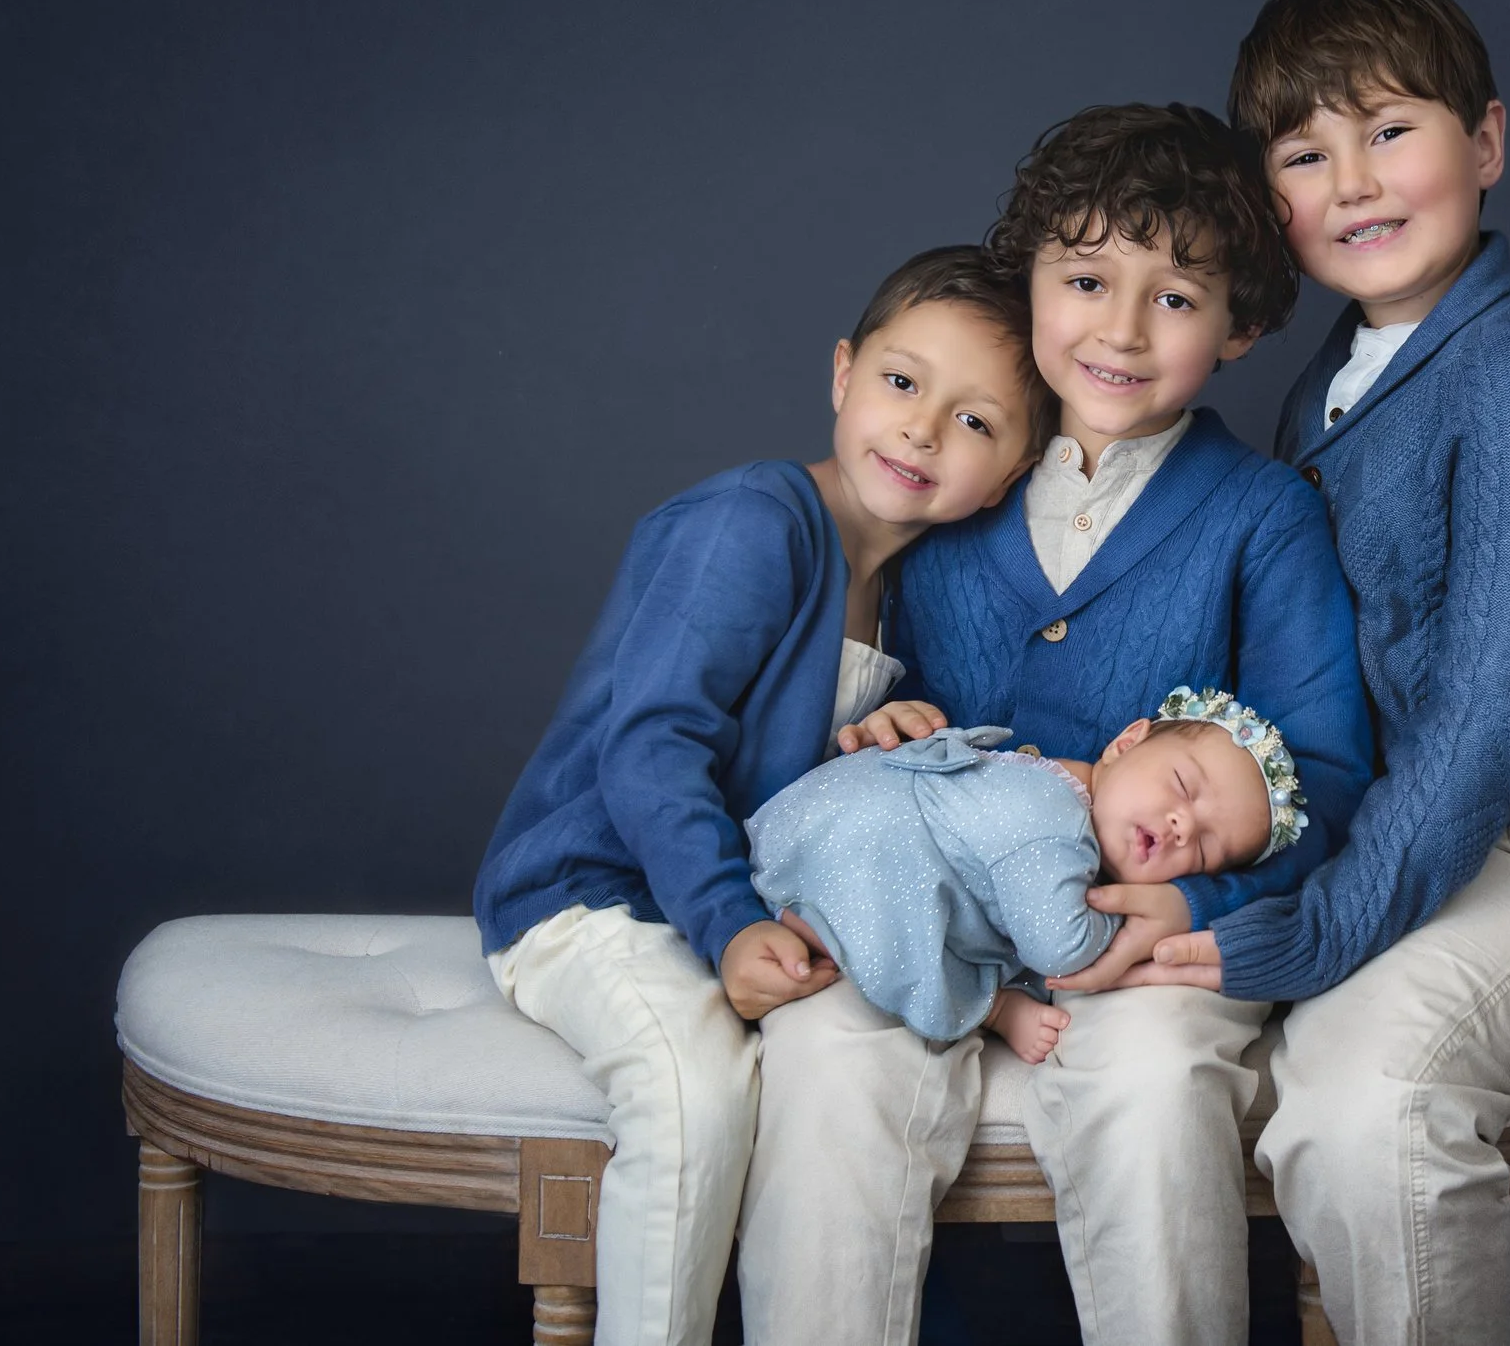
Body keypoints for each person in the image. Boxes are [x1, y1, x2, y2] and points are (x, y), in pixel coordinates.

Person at [1123, 0, 1510, 1346]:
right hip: (1403, 831)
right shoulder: (1329, 381)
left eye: (1392, 130)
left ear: (1485, 145)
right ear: (1272, 202)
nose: (1357, 181)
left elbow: (1498, 714)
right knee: (1183, 1050)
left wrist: (1315, 922)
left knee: (1369, 1093)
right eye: (1307, 152)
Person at [740, 104, 1375, 1346]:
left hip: (1139, 939)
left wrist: (1198, 907)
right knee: (825, 1064)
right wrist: (878, 731)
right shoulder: (950, 475)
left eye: (1176, 298)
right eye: (1085, 278)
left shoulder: (1262, 514)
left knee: (1148, 1079)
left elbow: (1331, 775)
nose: (1121, 330)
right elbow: (871, 695)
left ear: (1240, 326)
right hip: (936, 910)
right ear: (1030, 278)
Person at [470, 246, 1049, 1346]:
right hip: (593, 893)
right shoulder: (755, 520)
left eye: (978, 421)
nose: (924, 429)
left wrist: (873, 755)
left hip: (712, 902)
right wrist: (732, 922)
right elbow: (650, 749)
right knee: (692, 1088)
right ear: (842, 373)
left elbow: (807, 802)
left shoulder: (905, 592)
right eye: (902, 381)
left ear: (1018, 467)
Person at [746, 686, 1308, 1062]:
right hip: (857, 860)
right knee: (910, 929)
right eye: (1182, 787)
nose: (1183, 825)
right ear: (1125, 742)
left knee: (944, 900)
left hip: (800, 829)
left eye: (1206, 850)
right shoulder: (1057, 822)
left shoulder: (1041, 781)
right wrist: (1127, 931)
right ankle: (989, 1008)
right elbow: (1059, 950)